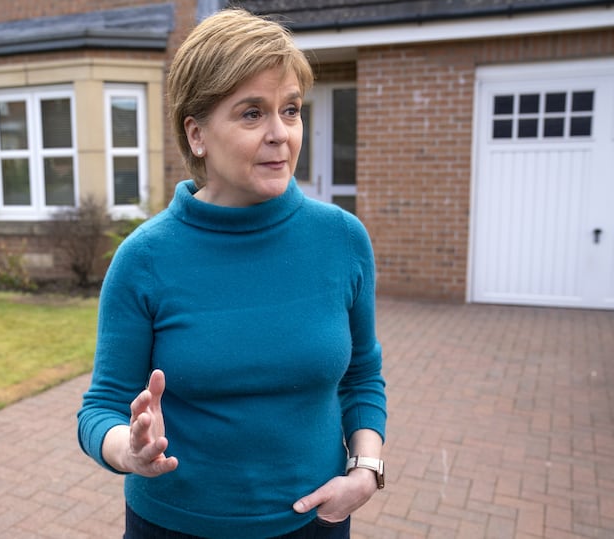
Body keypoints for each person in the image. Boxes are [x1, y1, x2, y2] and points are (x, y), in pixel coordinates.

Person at [77, 8, 387, 538]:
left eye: (290, 110)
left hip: (316, 522)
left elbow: (362, 376)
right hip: (175, 527)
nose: (279, 134)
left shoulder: (342, 240)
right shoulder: (145, 259)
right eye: (251, 114)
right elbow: (101, 407)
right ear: (196, 134)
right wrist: (129, 451)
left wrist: (366, 470)